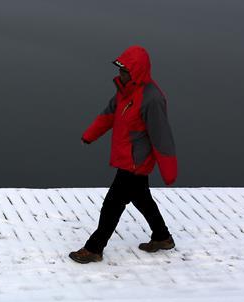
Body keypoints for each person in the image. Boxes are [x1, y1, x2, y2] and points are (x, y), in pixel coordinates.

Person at [70, 45, 178, 264]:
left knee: (113, 203)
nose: (120, 74)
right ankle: (162, 236)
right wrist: (89, 135)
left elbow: (161, 135)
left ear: (137, 70)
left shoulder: (152, 98)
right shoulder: (124, 91)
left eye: (125, 70)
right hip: (126, 157)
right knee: (141, 197)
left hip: (136, 162)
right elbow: (109, 114)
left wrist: (169, 171)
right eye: (120, 69)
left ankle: (94, 248)